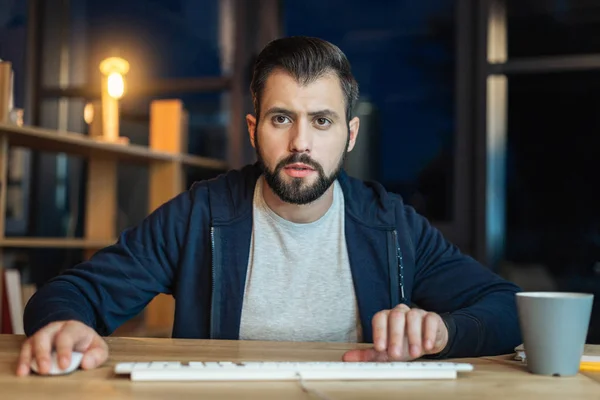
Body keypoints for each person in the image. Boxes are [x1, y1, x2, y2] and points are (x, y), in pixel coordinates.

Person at [16, 36, 522, 376]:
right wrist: (67, 324)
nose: (301, 142)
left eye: (322, 121)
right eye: (282, 119)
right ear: (255, 130)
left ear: (350, 135)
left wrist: (441, 331)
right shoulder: (200, 213)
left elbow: (507, 310)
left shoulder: (391, 223)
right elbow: (70, 294)